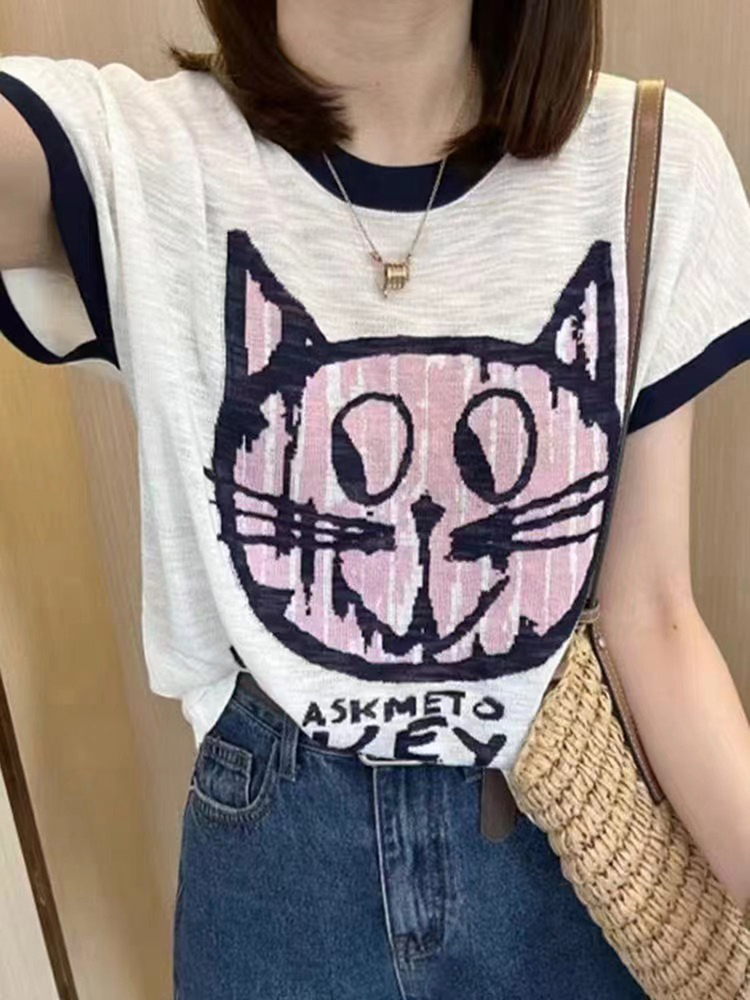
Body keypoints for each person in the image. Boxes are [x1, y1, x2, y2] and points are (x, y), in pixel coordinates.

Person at [1, 1, 750, 997]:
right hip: (279, 862)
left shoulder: (650, 161)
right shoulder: (128, 152)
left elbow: (652, 614)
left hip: (561, 842)